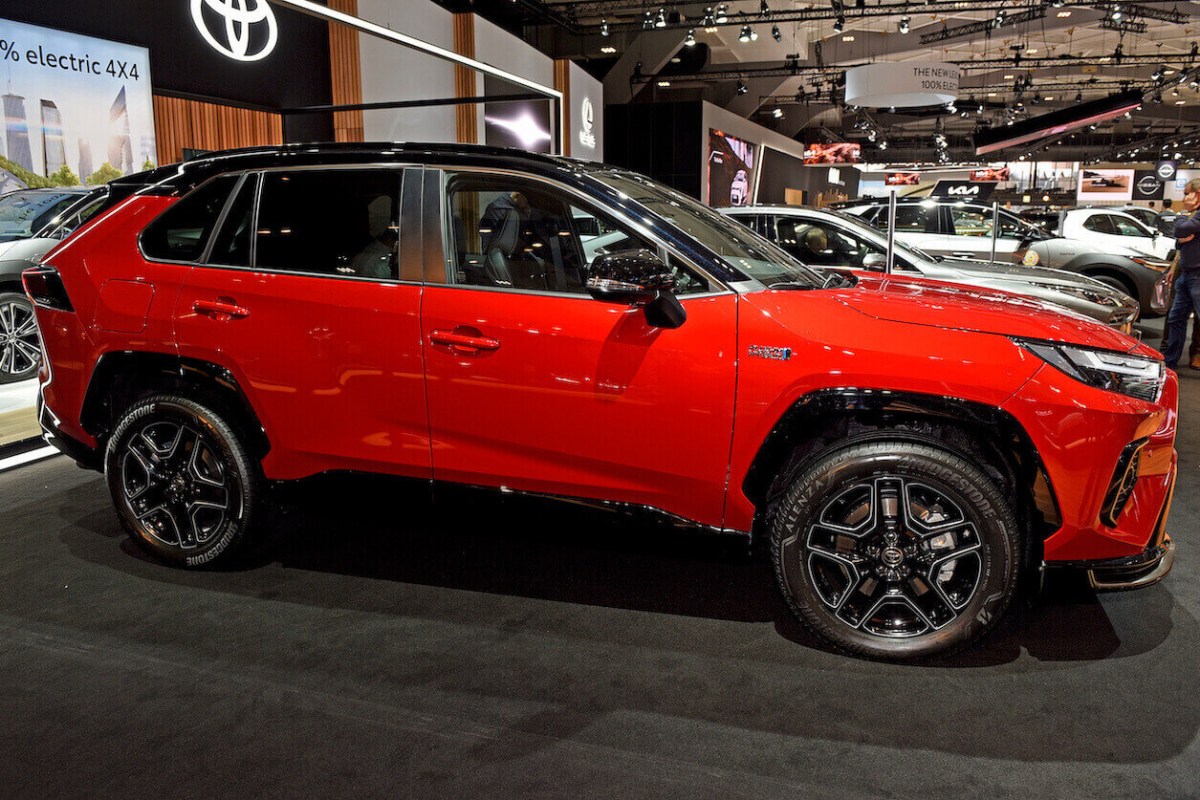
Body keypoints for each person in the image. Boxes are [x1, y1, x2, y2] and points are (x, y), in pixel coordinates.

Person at [1161, 179, 1200, 369]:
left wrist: (1184, 215)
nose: (1185, 197)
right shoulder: (1193, 217)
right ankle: (1170, 361)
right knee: (1176, 318)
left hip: (1197, 276)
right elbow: (1178, 239)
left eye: (1187, 193)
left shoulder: (1196, 215)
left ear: (1197, 194)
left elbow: (1180, 229)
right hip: (1186, 274)